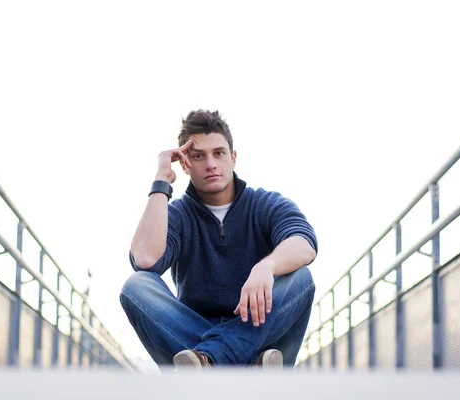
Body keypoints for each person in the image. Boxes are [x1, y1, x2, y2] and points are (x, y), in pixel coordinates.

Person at [120, 110, 318, 370]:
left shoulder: (264, 204)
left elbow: (304, 242)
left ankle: (212, 359)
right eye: (198, 156)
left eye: (219, 153)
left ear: (233, 158)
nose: (210, 164)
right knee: (136, 286)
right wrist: (161, 181)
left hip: (256, 333)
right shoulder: (177, 215)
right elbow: (145, 260)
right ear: (185, 164)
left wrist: (266, 267)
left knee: (301, 279)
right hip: (246, 356)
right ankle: (239, 364)